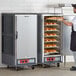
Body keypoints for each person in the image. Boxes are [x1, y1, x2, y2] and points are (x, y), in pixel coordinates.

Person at [62, 4, 76, 71]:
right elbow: (71, 24)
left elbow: (69, 24)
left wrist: (62, 20)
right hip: (74, 34)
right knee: (74, 49)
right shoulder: (75, 17)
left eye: (74, 8)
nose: (73, 10)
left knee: (74, 49)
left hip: (75, 34)